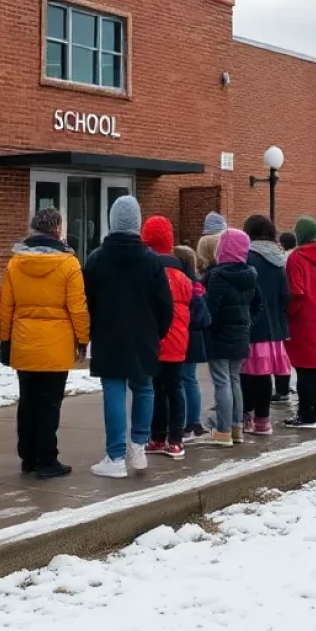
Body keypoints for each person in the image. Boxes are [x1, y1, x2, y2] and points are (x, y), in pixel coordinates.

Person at [84, 196, 174, 478]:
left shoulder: (97, 258)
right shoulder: (151, 261)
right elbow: (165, 304)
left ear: (112, 221)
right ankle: (138, 446)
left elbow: (87, 300)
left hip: (108, 335)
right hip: (143, 336)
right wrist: (157, 332)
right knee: (144, 388)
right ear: (137, 222)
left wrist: (90, 332)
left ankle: (115, 456)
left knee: (113, 391)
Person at [0, 207, 89, 480]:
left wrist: (5, 340)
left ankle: (28, 457)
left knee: (28, 401)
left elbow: (6, 307)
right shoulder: (69, 264)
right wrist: (82, 339)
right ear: (57, 229)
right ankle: (47, 458)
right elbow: (78, 308)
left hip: (24, 341)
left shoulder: (15, 262)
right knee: (50, 403)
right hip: (56, 345)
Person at [204, 228, 263, 445]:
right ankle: (237, 427)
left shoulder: (218, 275)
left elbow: (212, 308)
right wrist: (247, 322)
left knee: (222, 381)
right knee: (234, 379)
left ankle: (223, 430)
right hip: (241, 335)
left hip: (219, 335)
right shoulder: (250, 274)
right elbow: (259, 304)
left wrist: (207, 324)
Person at [141, 216, 193, 460]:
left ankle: (159, 436)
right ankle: (176, 439)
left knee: (157, 390)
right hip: (178, 340)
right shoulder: (182, 276)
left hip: (155, 340)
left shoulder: (149, 272)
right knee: (175, 387)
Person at [283, 216, 316, 429]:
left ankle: (306, 415)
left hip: (303, 318)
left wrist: (288, 314)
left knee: (304, 368)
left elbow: (296, 291)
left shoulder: (297, 257)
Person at [240, 214, 290, 436]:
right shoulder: (278, 260)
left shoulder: (247, 257)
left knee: (247, 375)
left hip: (252, 326)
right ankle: (263, 421)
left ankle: (246, 418)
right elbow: (285, 296)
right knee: (264, 376)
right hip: (274, 328)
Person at [174, 244, 211, 442]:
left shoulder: (180, 284)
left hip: (183, 336)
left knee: (180, 380)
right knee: (190, 379)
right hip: (196, 338)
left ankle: (184, 424)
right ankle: (194, 421)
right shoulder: (198, 286)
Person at [273, 230, 298, 401]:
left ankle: (283, 388)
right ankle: (286, 386)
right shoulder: (297, 256)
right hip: (290, 311)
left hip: (282, 312)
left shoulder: (283, 260)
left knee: (280, 352)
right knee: (285, 354)